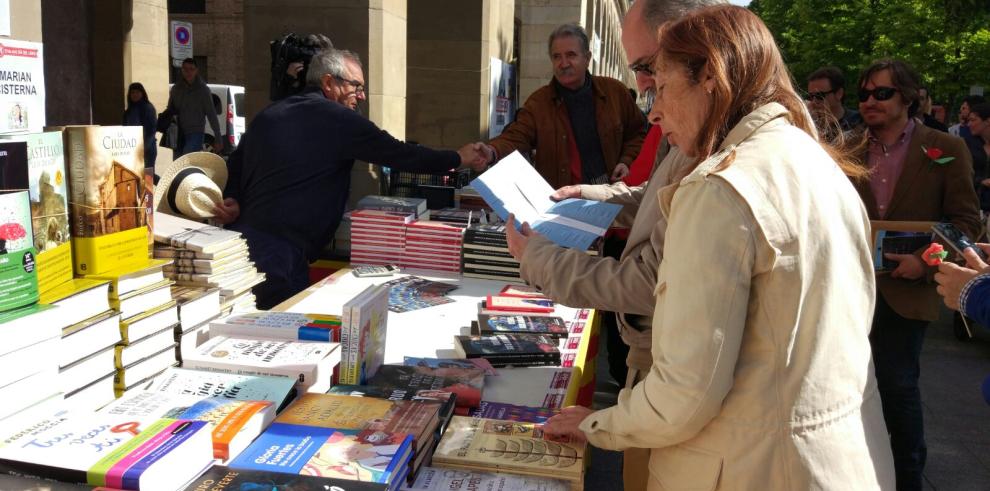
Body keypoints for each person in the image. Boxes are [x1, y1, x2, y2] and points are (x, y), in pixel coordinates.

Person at [533, 5, 895, 489]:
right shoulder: (811, 157)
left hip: (749, 467)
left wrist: (599, 424)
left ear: (709, 76)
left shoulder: (719, 187)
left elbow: (684, 392)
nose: (655, 112)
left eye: (659, 86)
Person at [507, 3, 721, 489]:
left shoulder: (717, 166)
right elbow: (653, 196)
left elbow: (649, 283)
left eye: (650, 70)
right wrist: (590, 195)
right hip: (658, 369)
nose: (650, 98)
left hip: (676, 385)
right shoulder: (688, 132)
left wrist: (537, 257)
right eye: (641, 73)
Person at [214, 49, 488, 309]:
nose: (362, 95)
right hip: (281, 256)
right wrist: (458, 158)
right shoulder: (338, 119)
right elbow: (400, 154)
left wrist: (233, 197)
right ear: (329, 82)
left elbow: (237, 162)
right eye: (356, 86)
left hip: (241, 246)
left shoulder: (269, 113)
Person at [850, 59, 980, 491]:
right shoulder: (846, 148)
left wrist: (926, 260)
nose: (869, 101)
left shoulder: (945, 147)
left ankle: (908, 480)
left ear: (907, 96)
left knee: (898, 387)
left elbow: (964, 223)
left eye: (881, 93)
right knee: (849, 389)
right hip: (851, 291)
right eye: (864, 94)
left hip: (907, 292)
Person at [482, 23, 644, 188]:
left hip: (610, 197)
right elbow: (516, 136)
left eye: (571, 55)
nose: (563, 63)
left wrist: (627, 161)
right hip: (561, 202)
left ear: (587, 58)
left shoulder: (615, 92)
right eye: (557, 56)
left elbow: (639, 133)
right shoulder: (539, 103)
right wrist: (491, 151)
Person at [166, 58, 223, 158]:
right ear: (182, 70)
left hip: (196, 132)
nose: (188, 72)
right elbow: (170, 110)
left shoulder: (203, 90)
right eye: (185, 69)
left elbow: (211, 113)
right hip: (178, 132)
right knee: (178, 162)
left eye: (191, 69)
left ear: (196, 70)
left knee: (187, 160)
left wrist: (218, 137)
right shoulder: (176, 89)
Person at [806, 65, 862, 131]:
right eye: (811, 96)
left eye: (819, 96)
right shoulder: (809, 125)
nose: (813, 101)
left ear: (839, 94)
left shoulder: (858, 122)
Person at [122, 82, 158, 172]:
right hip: (132, 148)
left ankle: (166, 184)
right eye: (132, 92)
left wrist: (144, 148)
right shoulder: (128, 111)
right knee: (136, 174)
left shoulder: (148, 108)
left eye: (137, 92)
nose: (135, 95)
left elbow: (151, 130)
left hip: (147, 148)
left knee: (148, 175)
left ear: (142, 93)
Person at [965, 103, 990, 211]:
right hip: (973, 205)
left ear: (988, 121)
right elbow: (960, 175)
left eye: (973, 120)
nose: (969, 124)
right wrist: (981, 182)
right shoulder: (966, 144)